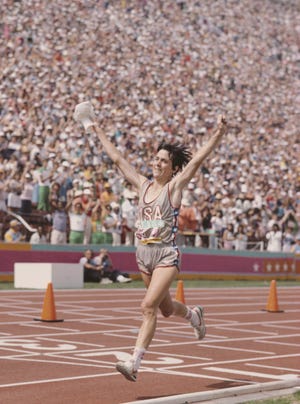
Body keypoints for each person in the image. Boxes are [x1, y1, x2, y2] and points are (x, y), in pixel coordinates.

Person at [74, 101, 227, 382]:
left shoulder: (174, 187)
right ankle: (194, 316)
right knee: (166, 310)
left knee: (147, 307)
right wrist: (93, 126)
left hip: (166, 255)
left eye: (163, 161)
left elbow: (196, 162)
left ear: (172, 168)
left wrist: (217, 133)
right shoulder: (143, 185)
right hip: (143, 256)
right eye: (155, 159)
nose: (157, 163)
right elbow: (118, 159)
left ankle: (134, 362)